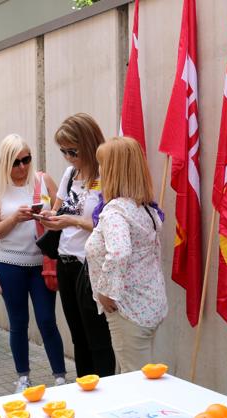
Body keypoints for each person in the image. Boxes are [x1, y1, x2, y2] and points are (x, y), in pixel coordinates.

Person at [0, 134, 66, 392]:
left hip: (42, 263)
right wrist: (15, 219)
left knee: (46, 320)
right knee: (18, 322)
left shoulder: (43, 180)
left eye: (26, 160)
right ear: (5, 163)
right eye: (16, 162)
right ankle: (23, 377)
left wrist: (49, 215)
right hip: (8, 263)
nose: (22, 167)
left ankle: (61, 377)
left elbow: (65, 212)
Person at [41, 113, 115, 377]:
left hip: (91, 265)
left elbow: (112, 225)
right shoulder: (70, 173)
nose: (69, 157)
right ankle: (84, 389)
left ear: (88, 143)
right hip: (66, 261)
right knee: (77, 335)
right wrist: (49, 217)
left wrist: (72, 221)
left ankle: (104, 389)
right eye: (63, 152)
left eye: (73, 151)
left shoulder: (108, 173)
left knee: (98, 337)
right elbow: (59, 209)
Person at [85, 137, 166, 372]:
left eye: (101, 164)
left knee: (135, 381)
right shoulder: (144, 208)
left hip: (128, 310)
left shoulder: (115, 212)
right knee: (139, 375)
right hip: (149, 304)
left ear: (112, 170)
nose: (98, 170)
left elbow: (119, 252)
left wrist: (106, 291)